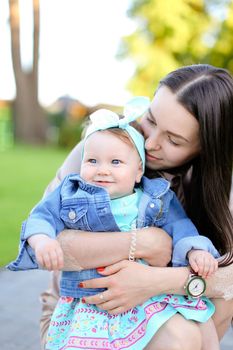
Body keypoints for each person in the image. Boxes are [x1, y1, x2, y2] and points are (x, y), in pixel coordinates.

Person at [8, 102, 221, 350]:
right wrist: (42, 239)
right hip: (91, 303)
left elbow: (181, 226)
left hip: (146, 297)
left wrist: (195, 251)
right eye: (92, 161)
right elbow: (40, 216)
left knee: (202, 324)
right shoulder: (72, 193)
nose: (103, 170)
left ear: (139, 170)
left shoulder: (155, 198)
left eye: (116, 162)